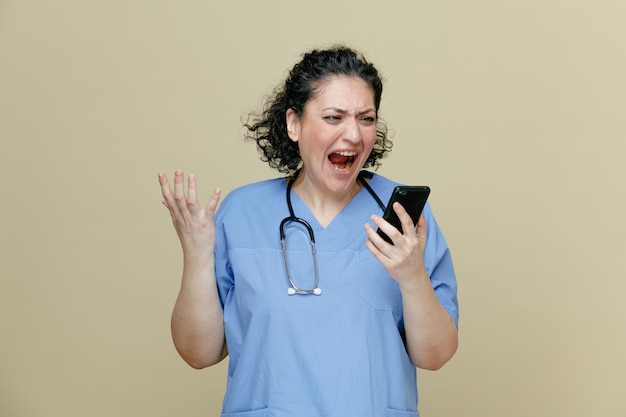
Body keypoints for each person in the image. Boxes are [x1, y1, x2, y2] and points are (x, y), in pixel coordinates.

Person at [158, 45, 459, 417]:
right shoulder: (241, 214)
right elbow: (199, 353)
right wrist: (197, 253)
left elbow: (436, 356)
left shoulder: (403, 219)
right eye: (334, 117)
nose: (353, 134)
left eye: (366, 119)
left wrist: (412, 276)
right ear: (294, 123)